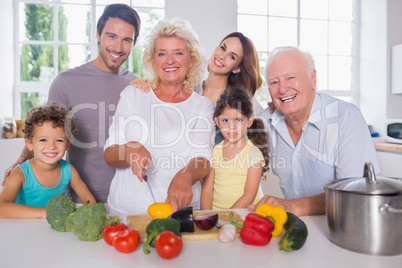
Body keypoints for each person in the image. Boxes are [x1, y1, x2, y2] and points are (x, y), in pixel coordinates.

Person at [3, 4, 141, 204]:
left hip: (128, 200)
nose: (118, 47)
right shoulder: (66, 82)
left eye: (126, 40)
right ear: (98, 34)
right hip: (79, 201)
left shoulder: (137, 86)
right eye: (111, 36)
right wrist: (20, 163)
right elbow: (44, 131)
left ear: (133, 43)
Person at [249, 46, 380, 216]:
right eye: (274, 82)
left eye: (290, 77)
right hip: (294, 225)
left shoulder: (346, 117)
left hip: (342, 224)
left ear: (313, 78)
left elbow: (357, 191)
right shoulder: (266, 121)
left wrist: (295, 206)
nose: (282, 89)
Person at [103, 18, 215, 213]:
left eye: (178, 53)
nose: (169, 60)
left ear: (191, 61)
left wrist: (185, 176)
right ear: (154, 61)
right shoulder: (132, 95)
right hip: (127, 211)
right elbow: (109, 153)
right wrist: (130, 150)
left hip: (180, 210)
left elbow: (203, 158)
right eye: (162, 53)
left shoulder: (202, 106)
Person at [129, 32, 263, 144]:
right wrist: (139, 86)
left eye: (232, 56)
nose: (222, 56)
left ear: (237, 68)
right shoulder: (189, 88)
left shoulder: (240, 101)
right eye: (223, 48)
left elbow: (266, 125)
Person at [0, 103, 96, 219]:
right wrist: (44, 213)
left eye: (59, 140)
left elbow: (91, 204)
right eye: (43, 139)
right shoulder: (20, 174)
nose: (51, 146)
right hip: (22, 231)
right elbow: (2, 208)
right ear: (30, 144)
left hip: (52, 231)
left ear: (67, 145)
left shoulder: (68, 170)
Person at [201, 87, 269, 210]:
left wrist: (228, 217)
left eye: (238, 120)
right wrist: (206, 216)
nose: (231, 127)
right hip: (217, 217)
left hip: (242, 215)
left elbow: (249, 195)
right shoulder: (214, 151)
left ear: (249, 122)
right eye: (226, 120)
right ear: (217, 122)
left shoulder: (253, 154)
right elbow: (207, 190)